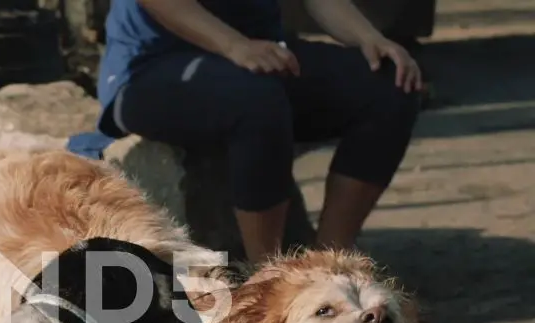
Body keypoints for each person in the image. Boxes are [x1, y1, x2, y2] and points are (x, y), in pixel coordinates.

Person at [70, 0, 423, 263]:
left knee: (391, 85)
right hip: (150, 72)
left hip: (258, 56)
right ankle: (270, 276)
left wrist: (369, 37)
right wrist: (234, 45)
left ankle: (329, 261)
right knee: (257, 99)